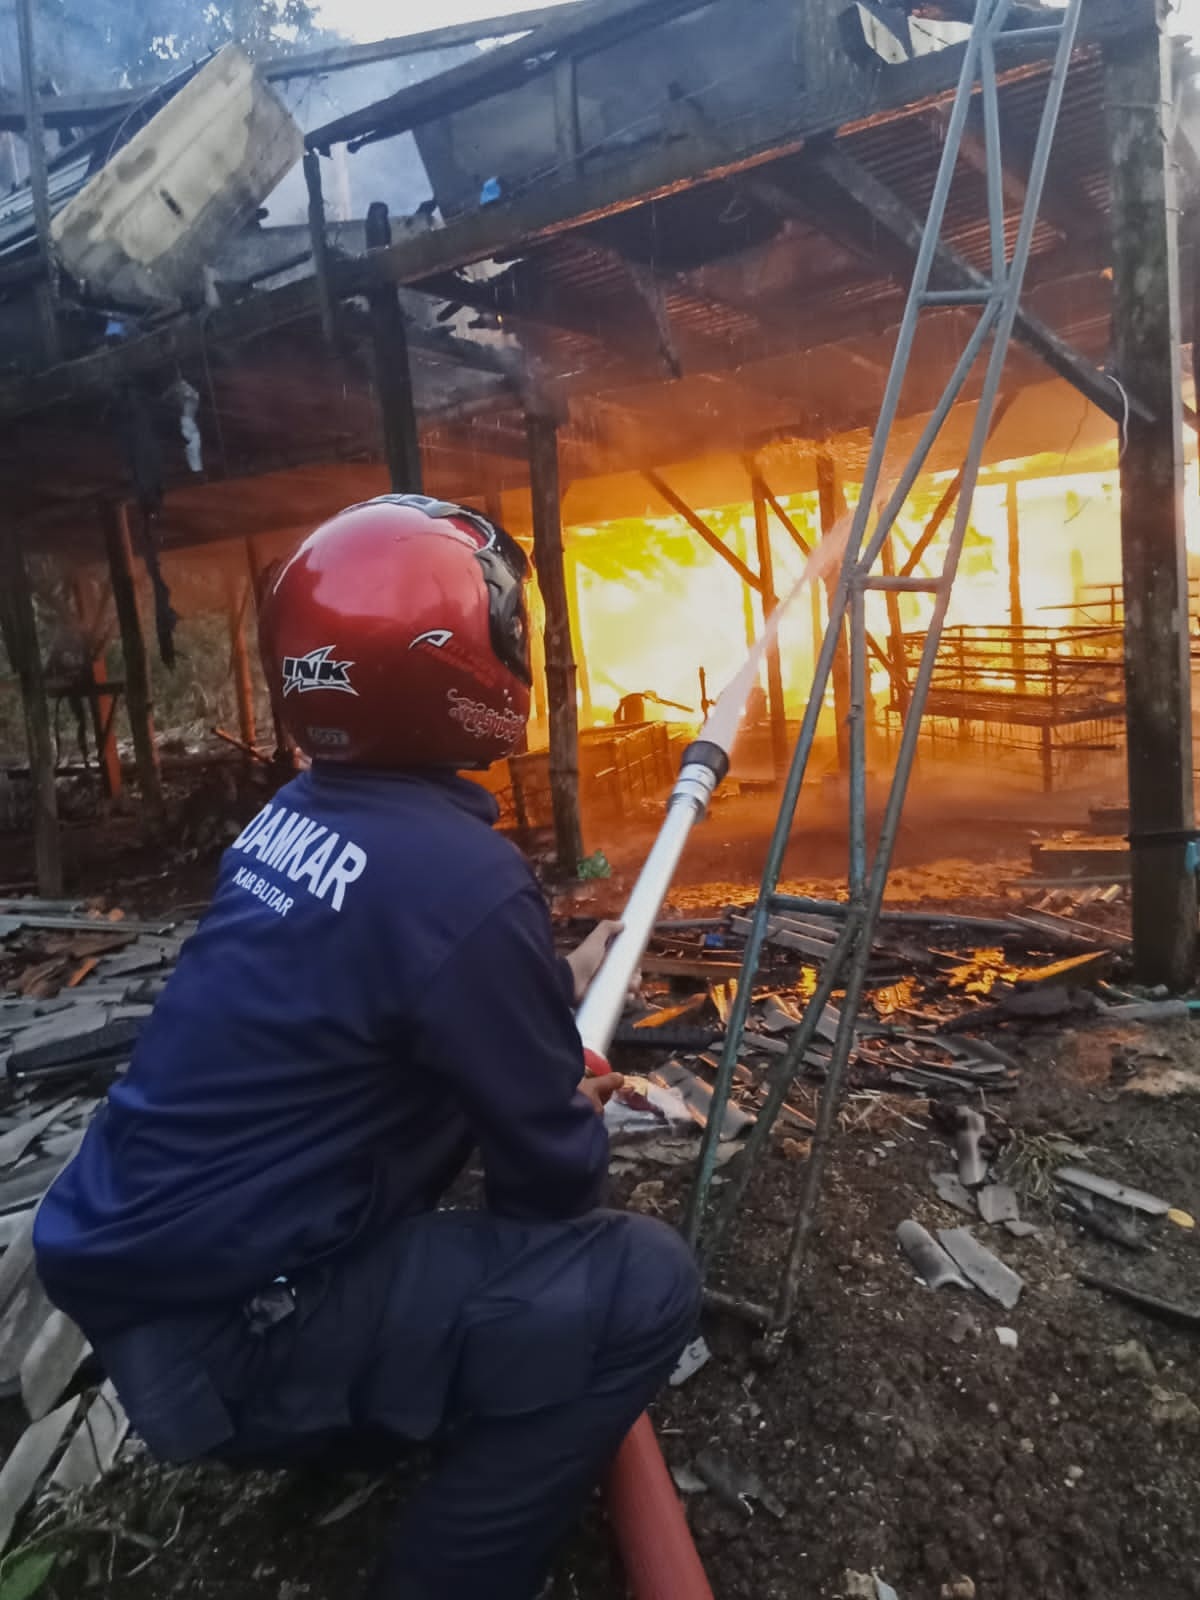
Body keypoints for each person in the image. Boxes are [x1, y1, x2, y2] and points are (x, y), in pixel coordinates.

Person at [33, 495, 700, 1600]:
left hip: (144, 1297)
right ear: (443, 661)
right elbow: (552, 1182)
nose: (518, 649)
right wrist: (558, 1095)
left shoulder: (298, 814)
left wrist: (548, 989)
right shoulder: (460, 881)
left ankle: (375, 1406)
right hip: (229, 1342)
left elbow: (386, 1005)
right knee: (643, 1282)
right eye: (501, 627)